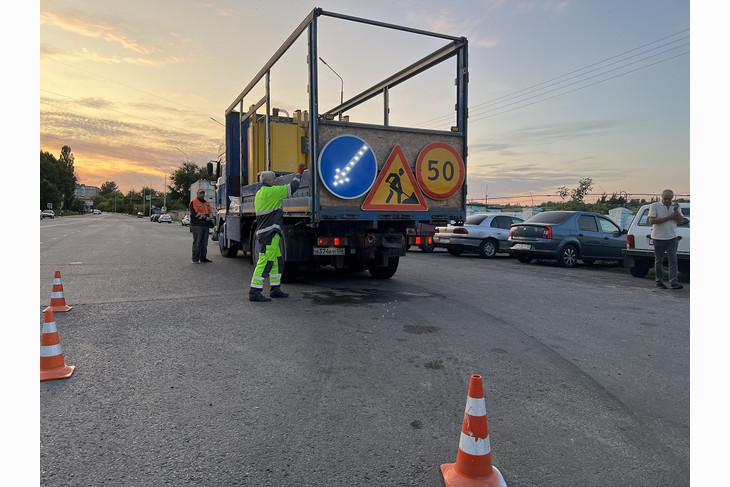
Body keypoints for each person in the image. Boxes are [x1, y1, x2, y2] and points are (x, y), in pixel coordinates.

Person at [249, 163, 305, 302]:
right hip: (270, 233)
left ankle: (275, 289)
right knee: (265, 261)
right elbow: (292, 188)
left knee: (276, 261)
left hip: (266, 233)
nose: (276, 180)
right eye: (274, 178)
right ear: (268, 181)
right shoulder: (271, 192)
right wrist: (299, 173)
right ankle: (254, 292)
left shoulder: (261, 192)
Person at [648, 189, 685, 289]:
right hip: (658, 237)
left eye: (669, 199)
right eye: (665, 198)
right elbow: (652, 221)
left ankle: (673, 282)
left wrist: (676, 212)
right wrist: (669, 217)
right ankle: (659, 281)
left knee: (673, 260)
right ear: (661, 197)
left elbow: (681, 221)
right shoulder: (655, 206)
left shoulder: (676, 206)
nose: (667, 201)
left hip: (672, 237)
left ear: (672, 198)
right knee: (659, 260)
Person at [189, 188, 214, 264]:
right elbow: (195, 213)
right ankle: (195, 259)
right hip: (197, 225)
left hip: (205, 225)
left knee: (204, 243)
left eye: (203, 193)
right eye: (200, 193)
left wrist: (210, 217)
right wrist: (205, 218)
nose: (202, 195)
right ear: (197, 194)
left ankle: (203, 258)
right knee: (197, 242)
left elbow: (210, 211)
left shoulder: (206, 203)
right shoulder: (193, 202)